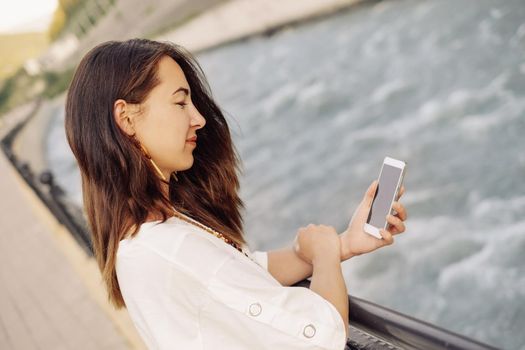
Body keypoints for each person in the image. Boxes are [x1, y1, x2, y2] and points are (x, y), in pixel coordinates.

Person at [64, 38, 407, 350]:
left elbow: (239, 275)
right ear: (126, 118)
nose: (198, 118)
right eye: (180, 103)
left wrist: (343, 243)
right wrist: (327, 256)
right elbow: (321, 334)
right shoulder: (170, 247)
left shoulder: (145, 236)